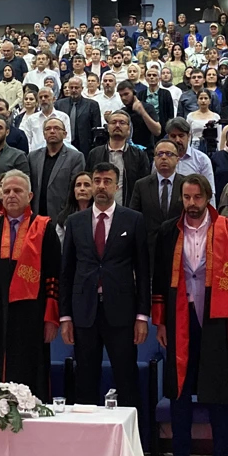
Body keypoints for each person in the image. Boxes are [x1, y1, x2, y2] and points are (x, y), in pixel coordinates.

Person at [152, 174, 228, 456]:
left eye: (197, 197)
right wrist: (161, 321)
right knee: (179, 392)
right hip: (180, 316)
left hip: (216, 317)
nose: (191, 203)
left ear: (208, 197)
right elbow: (159, 279)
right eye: (187, 197)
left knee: (218, 392)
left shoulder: (227, 229)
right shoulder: (168, 231)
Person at [0, 171, 62, 398]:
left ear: (30, 196)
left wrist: (51, 319)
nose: (11, 195)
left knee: (32, 367)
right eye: (6, 191)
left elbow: (54, 277)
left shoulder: (44, 229)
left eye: (17, 190)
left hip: (33, 314)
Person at [59, 162, 150, 408]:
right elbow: (66, 272)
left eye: (107, 181)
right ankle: (87, 432)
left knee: (126, 377)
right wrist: (65, 316)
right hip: (84, 310)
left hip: (121, 312)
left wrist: (142, 316)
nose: (101, 186)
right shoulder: (75, 221)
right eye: (97, 181)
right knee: (85, 379)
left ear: (116, 186)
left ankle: (131, 431)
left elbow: (143, 271)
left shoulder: (133, 220)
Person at [26, 116, 85, 219]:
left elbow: (75, 189)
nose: (52, 131)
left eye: (57, 128)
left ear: (65, 134)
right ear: (44, 134)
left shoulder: (76, 157)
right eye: (48, 129)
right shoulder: (33, 157)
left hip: (62, 215)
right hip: (36, 215)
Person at [86, 110, 150, 205]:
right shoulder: (94, 154)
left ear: (129, 129)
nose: (117, 125)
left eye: (122, 123)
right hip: (99, 207)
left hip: (129, 209)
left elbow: (144, 187)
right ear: (107, 127)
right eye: (113, 122)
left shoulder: (139, 155)